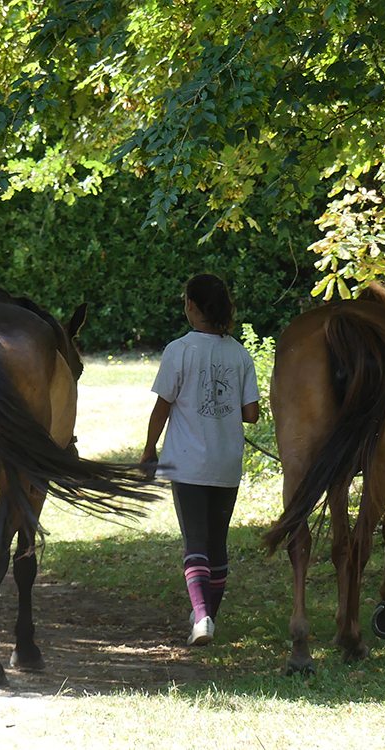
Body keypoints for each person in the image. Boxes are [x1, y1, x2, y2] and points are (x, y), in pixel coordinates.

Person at [140, 273, 260, 646]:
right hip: (227, 463)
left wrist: (149, 449)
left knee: (195, 541)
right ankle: (209, 615)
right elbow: (252, 413)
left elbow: (163, 406)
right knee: (217, 543)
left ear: (191, 306)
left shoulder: (179, 350)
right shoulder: (240, 353)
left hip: (188, 463)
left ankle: (202, 617)